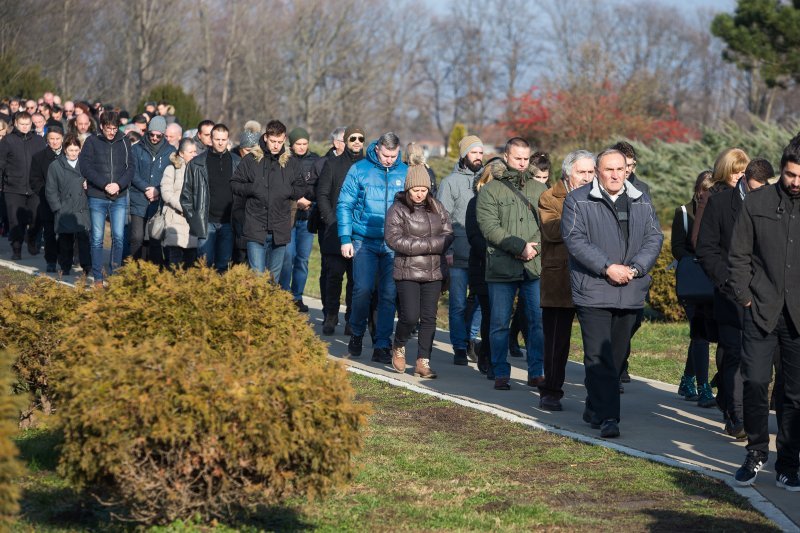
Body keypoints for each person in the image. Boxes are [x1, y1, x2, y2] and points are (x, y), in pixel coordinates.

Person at [562, 148, 662, 438]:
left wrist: (637, 268)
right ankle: (609, 417)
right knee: (598, 356)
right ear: (597, 171)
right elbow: (574, 239)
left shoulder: (641, 199)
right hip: (593, 290)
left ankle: (594, 405)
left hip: (630, 289)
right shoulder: (578, 200)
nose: (616, 174)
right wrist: (607, 267)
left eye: (621, 169)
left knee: (616, 358)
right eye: (609, 169)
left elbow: (654, 237)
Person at [728, 137, 800, 491]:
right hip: (759, 310)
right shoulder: (757, 202)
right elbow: (738, 254)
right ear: (781, 169)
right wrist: (744, 296)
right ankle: (756, 453)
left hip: (798, 319)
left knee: (794, 393)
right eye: (789, 175)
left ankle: (789, 463)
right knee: (755, 383)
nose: (795, 181)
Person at [475, 137, 547, 391]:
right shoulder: (490, 191)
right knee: (499, 322)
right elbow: (489, 227)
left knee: (537, 322)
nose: (522, 163)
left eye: (526, 159)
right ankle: (500, 371)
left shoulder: (540, 190)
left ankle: (536, 371)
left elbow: (548, 225)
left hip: (533, 267)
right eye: (517, 158)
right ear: (506, 157)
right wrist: (519, 247)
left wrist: (532, 248)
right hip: (501, 267)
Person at [694, 147, 751, 437]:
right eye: (736, 172)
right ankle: (734, 413)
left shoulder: (755, 199)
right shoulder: (714, 199)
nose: (741, 177)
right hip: (724, 289)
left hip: (754, 293)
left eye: (744, 171)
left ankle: (734, 404)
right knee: (732, 353)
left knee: (745, 356)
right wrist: (726, 279)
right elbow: (703, 244)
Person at [337, 132, 407, 363]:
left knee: (388, 295)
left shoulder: (404, 172)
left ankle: (382, 344)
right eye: (386, 155)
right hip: (363, 240)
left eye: (393, 155)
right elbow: (345, 203)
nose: (389, 159)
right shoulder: (359, 170)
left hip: (392, 244)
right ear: (377, 149)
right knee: (363, 289)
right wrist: (345, 237)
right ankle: (356, 333)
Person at [536, 150, 594, 411]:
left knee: (595, 343)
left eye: (591, 172)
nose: (587, 177)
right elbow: (551, 231)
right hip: (559, 278)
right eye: (581, 172)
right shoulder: (550, 197)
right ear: (568, 173)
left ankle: (597, 395)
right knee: (556, 342)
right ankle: (550, 390)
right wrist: (583, 215)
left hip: (592, 279)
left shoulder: (600, 196)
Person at [385, 164, 453, 378]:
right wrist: (431, 245)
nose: (420, 194)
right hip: (407, 272)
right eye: (416, 190)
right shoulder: (397, 209)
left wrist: (431, 244)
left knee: (429, 318)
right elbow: (393, 239)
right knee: (410, 316)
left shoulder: (437, 206)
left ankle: (423, 361)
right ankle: (399, 344)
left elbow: (448, 233)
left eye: (424, 190)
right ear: (408, 188)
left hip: (434, 271)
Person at [230, 119, 304, 278]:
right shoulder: (251, 160)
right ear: (265, 138)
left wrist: (287, 191)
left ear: (284, 139)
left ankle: (271, 303)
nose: (276, 145)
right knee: (257, 276)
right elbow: (234, 184)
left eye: (279, 141)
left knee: (273, 278)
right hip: (256, 227)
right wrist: (252, 188)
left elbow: (302, 187)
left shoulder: (291, 162)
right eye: (272, 141)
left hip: (280, 228)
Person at [437, 135, 484, 365]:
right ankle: (458, 345)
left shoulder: (487, 180)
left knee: (480, 301)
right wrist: (447, 250)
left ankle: (471, 338)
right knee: (457, 303)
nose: (479, 157)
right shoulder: (450, 182)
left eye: (481, 153)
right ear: (464, 154)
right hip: (456, 254)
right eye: (474, 152)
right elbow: (441, 219)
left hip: (481, 254)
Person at [672, 170, 717, 408]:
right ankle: (704, 387)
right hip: (694, 282)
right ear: (696, 189)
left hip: (714, 282)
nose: (704, 195)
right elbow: (677, 247)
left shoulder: (718, 212)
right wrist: (699, 259)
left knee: (702, 333)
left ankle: (688, 379)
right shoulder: (684, 212)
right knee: (700, 334)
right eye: (702, 190)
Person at [317, 126, 364, 335]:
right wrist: (331, 220)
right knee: (334, 276)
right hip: (335, 229)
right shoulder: (332, 164)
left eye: (360, 138)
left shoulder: (367, 167)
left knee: (356, 280)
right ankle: (331, 316)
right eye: (352, 138)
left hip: (360, 232)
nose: (356, 142)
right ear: (345, 141)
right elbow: (323, 195)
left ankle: (352, 319)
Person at [79, 111, 133, 284]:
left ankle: (115, 275)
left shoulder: (124, 141)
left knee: (118, 236)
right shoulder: (92, 141)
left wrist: (119, 184)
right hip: (97, 196)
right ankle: (97, 277)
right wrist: (104, 184)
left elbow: (130, 167)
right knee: (96, 237)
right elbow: (86, 167)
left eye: (115, 128)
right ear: (102, 127)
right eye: (108, 128)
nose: (111, 132)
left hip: (119, 196)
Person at [180, 123, 240, 273]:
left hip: (228, 222)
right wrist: (194, 218)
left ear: (228, 140)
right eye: (217, 139)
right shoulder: (196, 163)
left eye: (224, 139)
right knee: (204, 266)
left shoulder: (237, 163)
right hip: (205, 222)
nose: (220, 142)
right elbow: (186, 195)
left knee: (223, 266)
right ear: (211, 139)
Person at [467, 158, 506, 377]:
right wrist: (497, 250)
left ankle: (493, 355)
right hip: (482, 265)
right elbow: (474, 237)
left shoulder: (506, 202)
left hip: (504, 267)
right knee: (490, 313)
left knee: (500, 316)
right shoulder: (476, 202)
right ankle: (487, 356)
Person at [280, 127, 319, 311]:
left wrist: (310, 201)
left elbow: (320, 186)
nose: (302, 147)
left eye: (305, 144)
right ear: (291, 144)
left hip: (307, 218)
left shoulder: (316, 161)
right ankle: (284, 294)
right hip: (289, 218)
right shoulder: (284, 160)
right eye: (298, 144)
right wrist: (297, 200)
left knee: (302, 259)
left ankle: (297, 296)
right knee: (288, 257)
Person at [129, 115, 175, 264]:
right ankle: (135, 269)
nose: (154, 138)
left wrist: (158, 190)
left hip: (159, 201)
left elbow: (171, 176)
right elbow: (132, 172)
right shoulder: (136, 148)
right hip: (139, 197)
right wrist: (146, 188)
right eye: (152, 134)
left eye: (158, 135)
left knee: (155, 238)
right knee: (137, 237)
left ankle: (154, 271)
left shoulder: (170, 151)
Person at [0, 111, 46, 259]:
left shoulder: (39, 141)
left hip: (34, 188)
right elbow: (1, 163)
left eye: (28, 124)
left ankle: (31, 238)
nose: (25, 127)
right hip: (13, 187)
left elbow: (44, 163)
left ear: (31, 124)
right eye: (22, 124)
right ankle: (17, 248)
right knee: (15, 220)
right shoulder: (7, 140)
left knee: (36, 218)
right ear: (16, 124)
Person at [44, 133, 90, 275]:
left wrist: (89, 184)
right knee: (65, 241)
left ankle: (86, 266)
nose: (73, 153)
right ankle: (65, 267)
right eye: (70, 150)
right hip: (65, 208)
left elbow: (94, 179)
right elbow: (50, 189)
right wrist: (58, 208)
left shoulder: (85, 165)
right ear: (65, 149)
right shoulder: (55, 166)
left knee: (84, 239)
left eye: (76, 150)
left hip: (82, 207)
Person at [29, 124, 65, 272]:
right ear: (47, 139)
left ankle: (64, 259)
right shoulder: (39, 157)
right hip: (47, 201)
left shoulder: (70, 155)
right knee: (49, 232)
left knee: (65, 232)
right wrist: (47, 193)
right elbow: (35, 180)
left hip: (67, 201)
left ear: (62, 139)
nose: (55, 142)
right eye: (51, 139)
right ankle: (50, 260)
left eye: (57, 139)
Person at [160, 138, 199, 269]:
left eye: (195, 151)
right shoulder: (171, 169)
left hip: (193, 221)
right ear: (181, 153)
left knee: (190, 260)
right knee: (174, 262)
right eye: (191, 152)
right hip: (175, 219)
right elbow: (166, 193)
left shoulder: (199, 170)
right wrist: (182, 207)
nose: (194, 154)